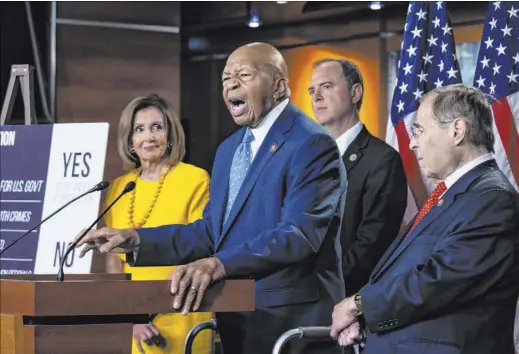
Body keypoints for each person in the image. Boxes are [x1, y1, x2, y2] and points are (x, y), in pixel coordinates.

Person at [77, 42, 347, 354]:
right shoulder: (229, 149)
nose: (231, 83)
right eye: (225, 78)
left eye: (243, 75)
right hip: (238, 321)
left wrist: (218, 264)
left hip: (292, 327)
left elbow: (298, 235)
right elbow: (210, 232)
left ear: (278, 86)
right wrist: (135, 239)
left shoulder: (312, 144)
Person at [330, 84, 519, 354]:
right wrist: (366, 319)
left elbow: (438, 281)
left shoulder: (492, 200)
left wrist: (359, 303)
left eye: (420, 130)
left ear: (457, 131)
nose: (412, 143)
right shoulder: (454, 194)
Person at [102, 94, 214, 354]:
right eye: (139, 129)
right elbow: (113, 262)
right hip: (138, 322)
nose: (148, 137)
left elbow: (201, 244)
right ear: (130, 141)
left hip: (185, 311)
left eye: (157, 127)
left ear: (171, 134)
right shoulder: (120, 186)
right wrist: (131, 318)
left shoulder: (195, 179)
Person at [309, 58, 407, 296]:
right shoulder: (307, 160)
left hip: (346, 303)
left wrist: (314, 290)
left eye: (327, 86)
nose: (316, 96)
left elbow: (371, 247)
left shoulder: (382, 160)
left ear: (355, 93)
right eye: (312, 90)